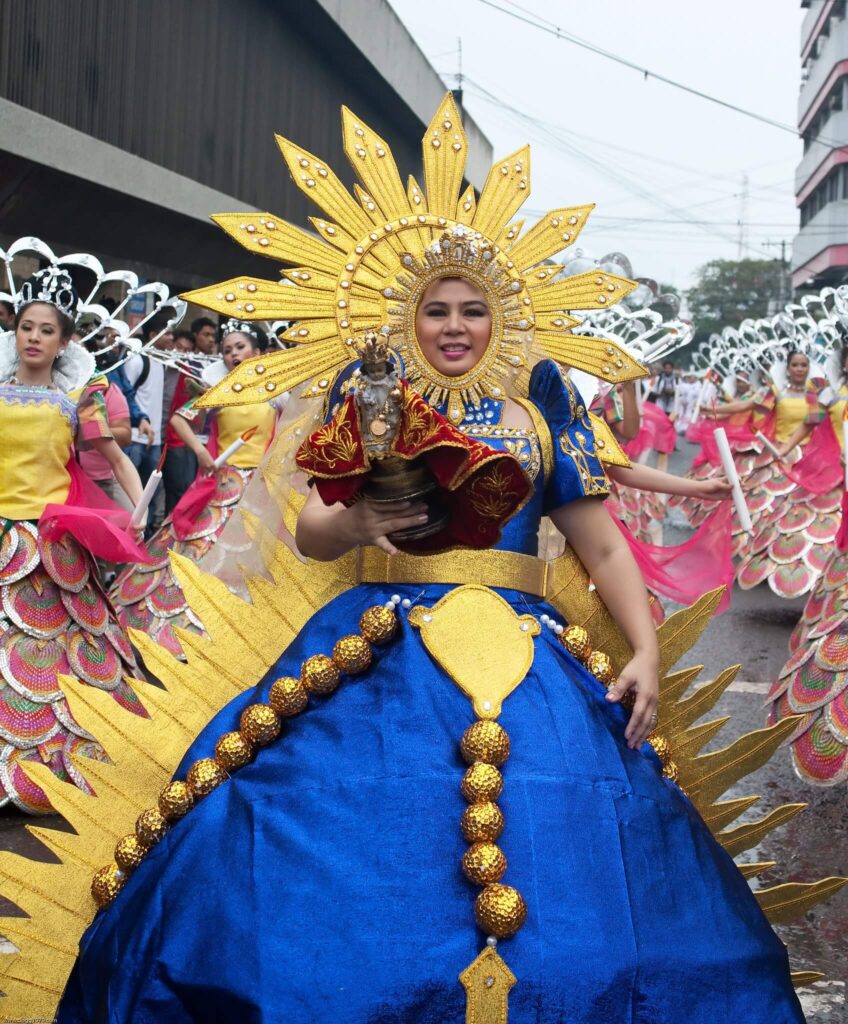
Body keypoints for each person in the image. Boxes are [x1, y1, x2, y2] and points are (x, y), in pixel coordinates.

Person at [50, 100, 817, 1024]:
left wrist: (645, 652)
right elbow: (311, 532)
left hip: (536, 657)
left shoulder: (539, 404)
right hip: (378, 642)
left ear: (501, 318)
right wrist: (364, 514)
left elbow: (599, 539)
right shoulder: (372, 393)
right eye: (438, 310)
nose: (456, 327)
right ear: (411, 319)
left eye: (473, 310)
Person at [0, 265, 151, 814]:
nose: (35, 337)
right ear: (14, 332)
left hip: (51, 544)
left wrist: (138, 509)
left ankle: (56, 766)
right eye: (26, 327)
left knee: (57, 654)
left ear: (64, 342)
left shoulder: (81, 397)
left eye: (47, 330)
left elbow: (114, 458)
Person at [111, 320, 281, 656]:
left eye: (240, 347)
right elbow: (178, 419)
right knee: (197, 552)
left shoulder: (277, 393)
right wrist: (202, 452)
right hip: (222, 484)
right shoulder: (219, 391)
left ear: (258, 352)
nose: (234, 354)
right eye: (227, 349)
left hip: (262, 487)